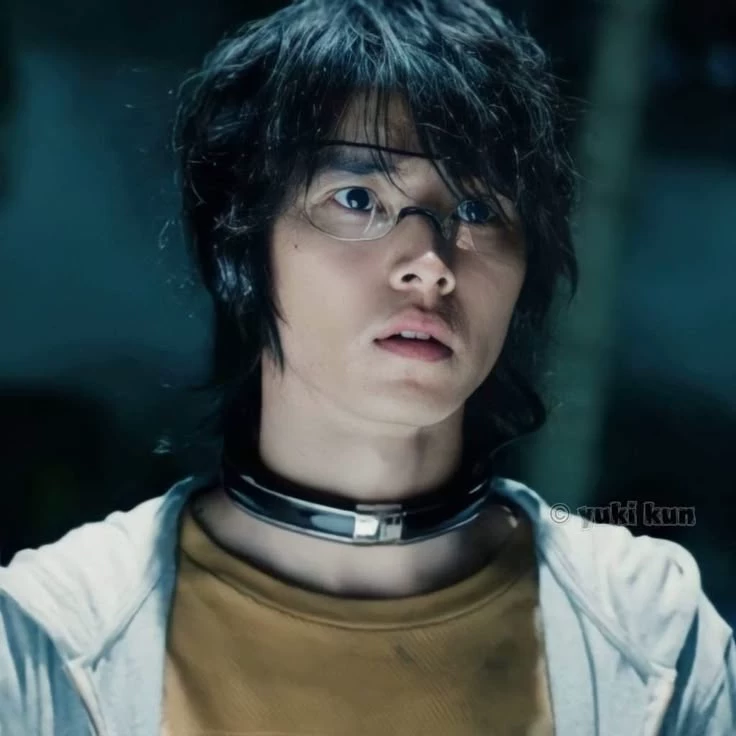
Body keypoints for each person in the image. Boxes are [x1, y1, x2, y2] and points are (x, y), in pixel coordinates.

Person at [1, 0, 734, 734]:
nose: (429, 264)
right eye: (358, 199)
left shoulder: (652, 639)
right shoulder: (48, 642)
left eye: (478, 211)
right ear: (243, 243)